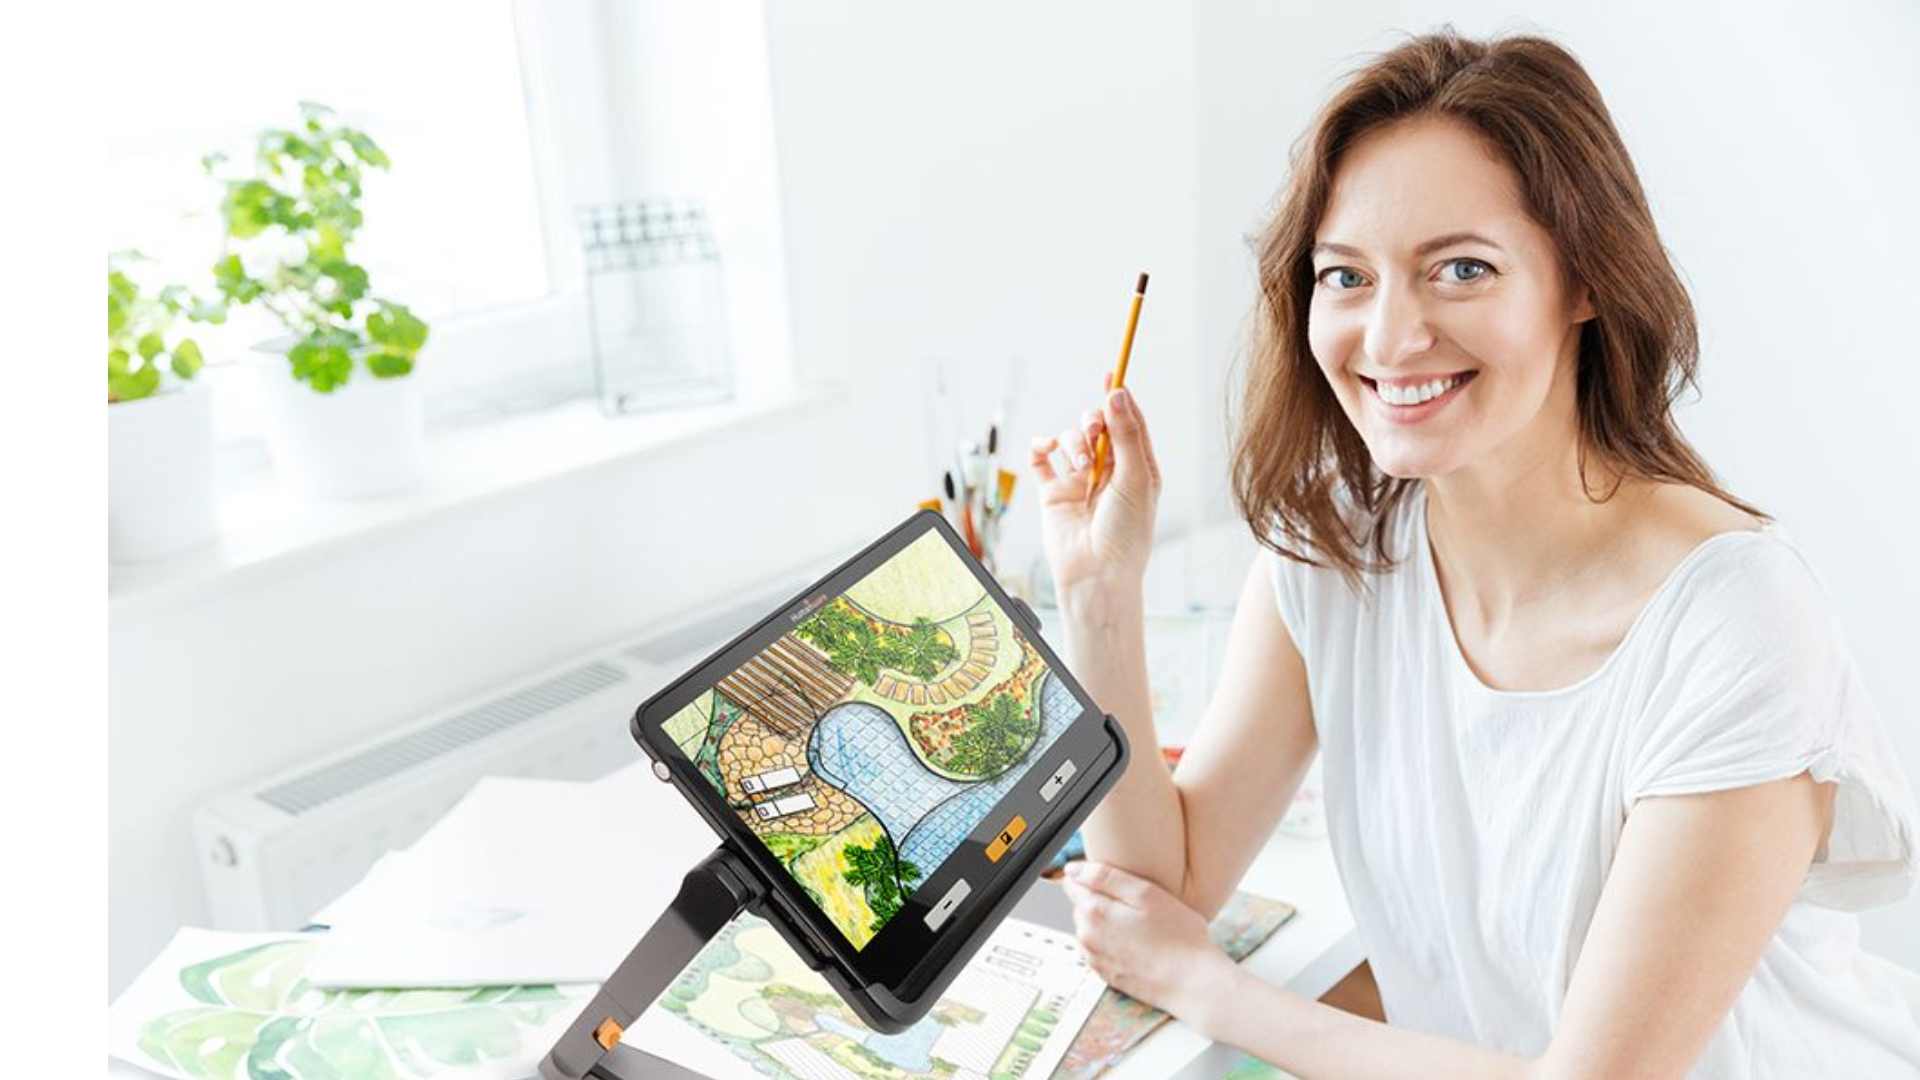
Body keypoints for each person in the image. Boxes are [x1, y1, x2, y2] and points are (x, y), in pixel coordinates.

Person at [1026, 28, 1920, 1080]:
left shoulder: (1737, 623)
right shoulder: (1335, 555)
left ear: (1586, 280)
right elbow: (1157, 895)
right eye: (1346, 276)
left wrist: (1217, 992)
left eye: (1460, 270)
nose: (1390, 337)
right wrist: (1099, 595)